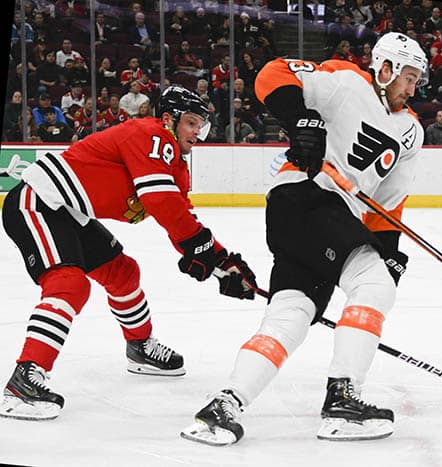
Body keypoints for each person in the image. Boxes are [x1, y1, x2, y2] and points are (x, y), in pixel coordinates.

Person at [182, 31, 428, 445]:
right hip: (306, 194)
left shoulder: (411, 132)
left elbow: (388, 202)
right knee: (373, 284)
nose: (411, 87)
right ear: (384, 69)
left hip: (320, 220)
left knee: (290, 314)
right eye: (406, 76)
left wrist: (390, 250)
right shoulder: (348, 80)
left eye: (416, 80)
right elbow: (272, 74)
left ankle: (224, 406)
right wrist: (301, 120)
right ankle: (343, 401)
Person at [0, 86, 257, 421]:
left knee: (123, 273)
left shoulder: (175, 165)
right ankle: (24, 379)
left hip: (69, 212)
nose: (198, 133)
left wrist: (223, 263)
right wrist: (204, 252)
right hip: (38, 202)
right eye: (192, 123)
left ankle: (139, 347)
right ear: (169, 119)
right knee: (69, 284)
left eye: (202, 126)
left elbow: (182, 218)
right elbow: (163, 204)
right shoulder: (151, 134)